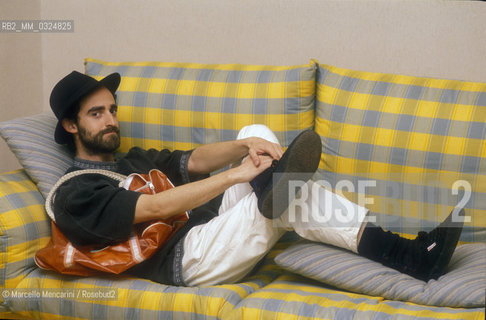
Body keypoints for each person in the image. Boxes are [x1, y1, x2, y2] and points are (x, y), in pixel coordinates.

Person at [47, 71, 464, 286]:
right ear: (70, 125)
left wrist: (246, 150)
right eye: (96, 113)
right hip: (183, 260)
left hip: (207, 229)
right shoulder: (74, 191)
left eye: (112, 109)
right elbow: (153, 208)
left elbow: (193, 160)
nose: (111, 120)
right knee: (281, 200)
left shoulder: (131, 160)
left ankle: (274, 188)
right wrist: (238, 176)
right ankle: (409, 256)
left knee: (255, 133)